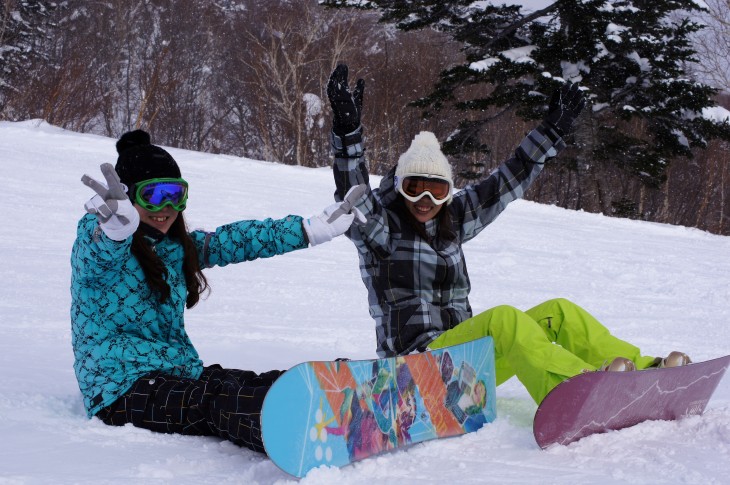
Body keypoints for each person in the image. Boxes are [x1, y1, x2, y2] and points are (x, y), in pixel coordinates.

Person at [325, 64, 690, 405]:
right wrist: (347, 134)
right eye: (414, 188)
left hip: (463, 368)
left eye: (436, 190)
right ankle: (573, 391)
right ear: (400, 189)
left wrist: (552, 131)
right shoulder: (381, 230)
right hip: (415, 372)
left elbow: (508, 180)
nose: (424, 200)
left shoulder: (454, 220)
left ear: (448, 191)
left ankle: (643, 372)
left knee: (559, 313)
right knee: (504, 320)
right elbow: (353, 196)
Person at [70, 129, 365, 453]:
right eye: (154, 195)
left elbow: (237, 240)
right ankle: (298, 428)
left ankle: (340, 393)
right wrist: (112, 231)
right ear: (126, 198)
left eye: (175, 194)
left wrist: (307, 229)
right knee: (215, 401)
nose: (167, 206)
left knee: (237, 383)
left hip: (173, 371)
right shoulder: (101, 247)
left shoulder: (175, 247)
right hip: (117, 391)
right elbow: (96, 251)